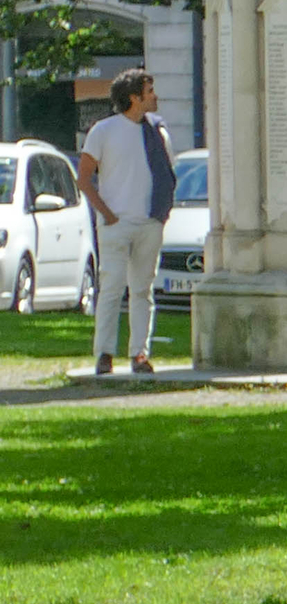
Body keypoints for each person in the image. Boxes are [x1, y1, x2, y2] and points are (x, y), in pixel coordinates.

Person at [78, 69, 176, 375]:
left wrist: (160, 216)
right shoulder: (103, 131)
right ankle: (105, 353)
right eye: (149, 91)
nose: (155, 96)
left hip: (149, 222)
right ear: (134, 98)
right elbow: (84, 178)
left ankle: (139, 354)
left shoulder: (157, 131)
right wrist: (106, 214)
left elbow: (168, 175)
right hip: (116, 224)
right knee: (111, 287)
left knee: (143, 290)